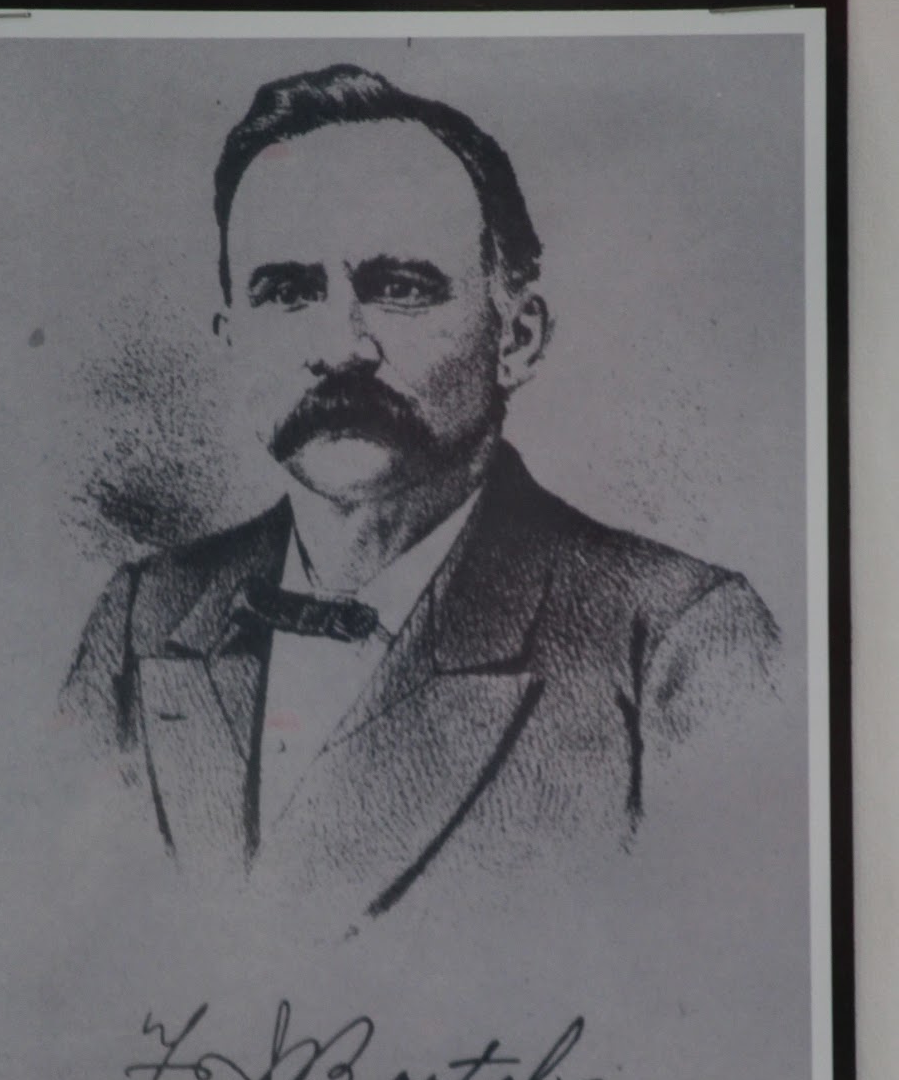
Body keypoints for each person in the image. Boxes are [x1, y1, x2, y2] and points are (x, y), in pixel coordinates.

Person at [62, 63, 780, 930]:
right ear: (231, 340)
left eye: (399, 288)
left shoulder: (675, 641)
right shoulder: (141, 618)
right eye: (286, 292)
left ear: (516, 338)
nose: (340, 347)